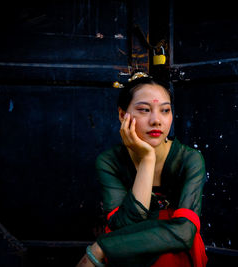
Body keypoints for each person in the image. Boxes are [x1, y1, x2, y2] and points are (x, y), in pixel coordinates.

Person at [76, 72, 208, 267]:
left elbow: (184, 233)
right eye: (145, 110)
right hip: (127, 243)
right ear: (123, 115)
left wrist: (99, 248)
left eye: (165, 110)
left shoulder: (189, 159)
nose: (157, 120)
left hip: (172, 244)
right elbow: (123, 226)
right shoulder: (110, 161)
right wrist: (147, 159)